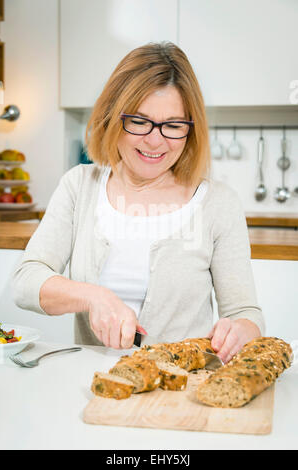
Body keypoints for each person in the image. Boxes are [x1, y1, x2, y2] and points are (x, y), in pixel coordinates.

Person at [13, 42, 264, 363]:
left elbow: (246, 313)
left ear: (191, 129)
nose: (155, 140)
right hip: (90, 386)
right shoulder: (79, 185)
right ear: (112, 118)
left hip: (182, 392)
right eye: (140, 121)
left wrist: (242, 330)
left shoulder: (219, 203)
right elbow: (25, 282)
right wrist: (93, 297)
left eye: (173, 126)